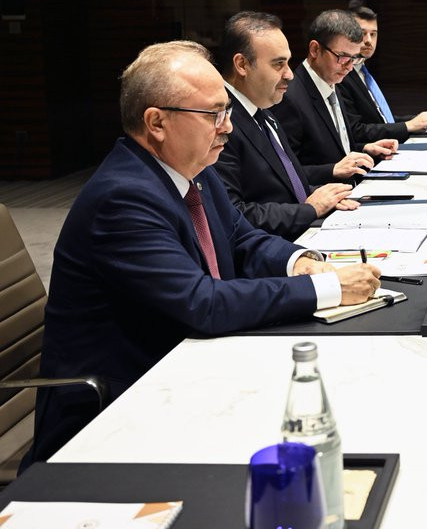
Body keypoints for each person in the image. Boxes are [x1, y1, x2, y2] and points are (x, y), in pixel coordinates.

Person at [30, 41, 381, 463]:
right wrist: (327, 289)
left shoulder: (195, 169)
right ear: (157, 122)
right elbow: (202, 303)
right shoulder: (122, 199)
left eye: (227, 111)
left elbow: (242, 238)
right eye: (213, 114)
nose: (228, 127)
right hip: (115, 414)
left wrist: (300, 263)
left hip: (188, 369)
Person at [215, 11, 363, 240]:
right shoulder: (221, 123)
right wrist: (310, 209)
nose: (289, 74)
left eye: (288, 62)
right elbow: (234, 215)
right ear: (242, 64)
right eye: (278, 64)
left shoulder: (263, 112)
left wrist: (328, 196)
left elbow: (288, 185)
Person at [273, 9, 400, 181]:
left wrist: (364, 148)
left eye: (354, 58)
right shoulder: (289, 98)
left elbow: (333, 149)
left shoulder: (332, 82)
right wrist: (332, 170)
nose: (349, 67)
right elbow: (286, 174)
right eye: (343, 57)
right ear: (315, 49)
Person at [343, 4, 427, 134]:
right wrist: (408, 125)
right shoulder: (341, 75)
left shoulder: (362, 70)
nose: (369, 40)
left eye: (373, 34)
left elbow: (382, 120)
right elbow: (355, 131)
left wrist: (416, 121)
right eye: (362, 34)